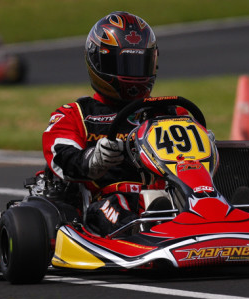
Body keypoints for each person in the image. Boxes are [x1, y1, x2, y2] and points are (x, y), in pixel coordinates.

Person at [42, 11, 185, 236]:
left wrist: (207, 143)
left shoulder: (170, 111)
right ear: (99, 61)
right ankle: (144, 230)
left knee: (195, 197)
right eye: (125, 64)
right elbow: (61, 156)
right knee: (114, 206)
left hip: (170, 196)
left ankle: (223, 216)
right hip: (107, 200)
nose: (134, 74)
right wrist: (93, 160)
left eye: (140, 64)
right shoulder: (76, 114)